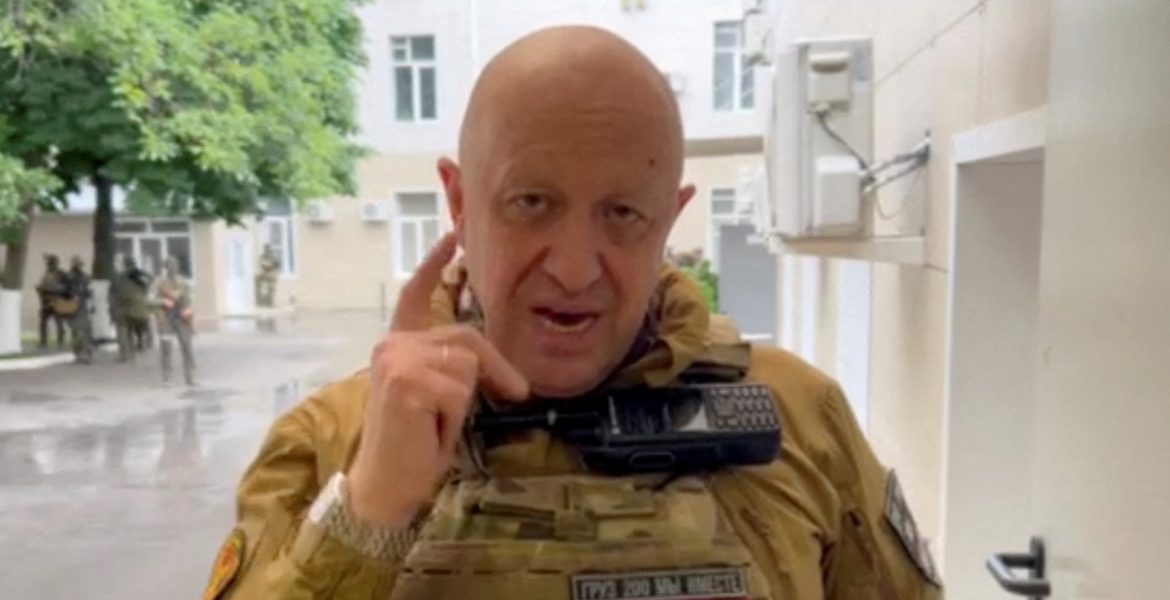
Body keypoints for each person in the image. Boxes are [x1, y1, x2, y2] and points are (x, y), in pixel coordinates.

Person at [204, 27, 941, 600]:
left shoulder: (801, 422)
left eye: (623, 214)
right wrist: (367, 517)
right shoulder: (330, 442)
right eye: (532, 203)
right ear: (459, 204)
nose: (576, 268)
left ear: (670, 218)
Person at [151, 257, 195, 385]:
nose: (172, 268)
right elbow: (150, 299)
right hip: (166, 317)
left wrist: (189, 310)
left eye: (174, 265)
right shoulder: (159, 283)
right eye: (169, 266)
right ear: (165, 268)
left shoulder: (183, 282)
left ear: (178, 267)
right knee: (166, 347)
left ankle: (189, 376)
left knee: (186, 345)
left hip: (182, 317)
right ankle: (166, 376)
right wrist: (163, 301)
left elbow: (190, 298)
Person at [110, 255, 152, 362]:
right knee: (132, 330)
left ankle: (125, 355)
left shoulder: (119, 277)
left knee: (123, 332)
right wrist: (141, 272)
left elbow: (113, 293)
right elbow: (150, 280)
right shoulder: (138, 276)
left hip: (122, 307)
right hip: (137, 307)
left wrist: (112, 309)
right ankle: (132, 352)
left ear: (124, 264)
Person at [34, 254, 69, 349]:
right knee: (43, 322)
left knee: (59, 322)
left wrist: (52, 289)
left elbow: (66, 288)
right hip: (45, 302)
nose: (49, 265)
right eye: (48, 263)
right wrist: (40, 288)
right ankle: (43, 341)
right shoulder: (47, 273)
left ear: (55, 263)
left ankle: (61, 341)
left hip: (57, 301)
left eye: (51, 263)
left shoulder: (61, 274)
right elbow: (43, 285)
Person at [63, 255, 92, 363]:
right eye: (77, 264)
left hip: (82, 305)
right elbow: (64, 291)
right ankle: (80, 353)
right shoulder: (68, 277)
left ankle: (83, 353)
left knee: (83, 330)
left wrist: (88, 294)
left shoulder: (84, 277)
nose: (79, 266)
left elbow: (88, 291)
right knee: (78, 330)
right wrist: (72, 296)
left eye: (80, 264)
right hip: (72, 306)